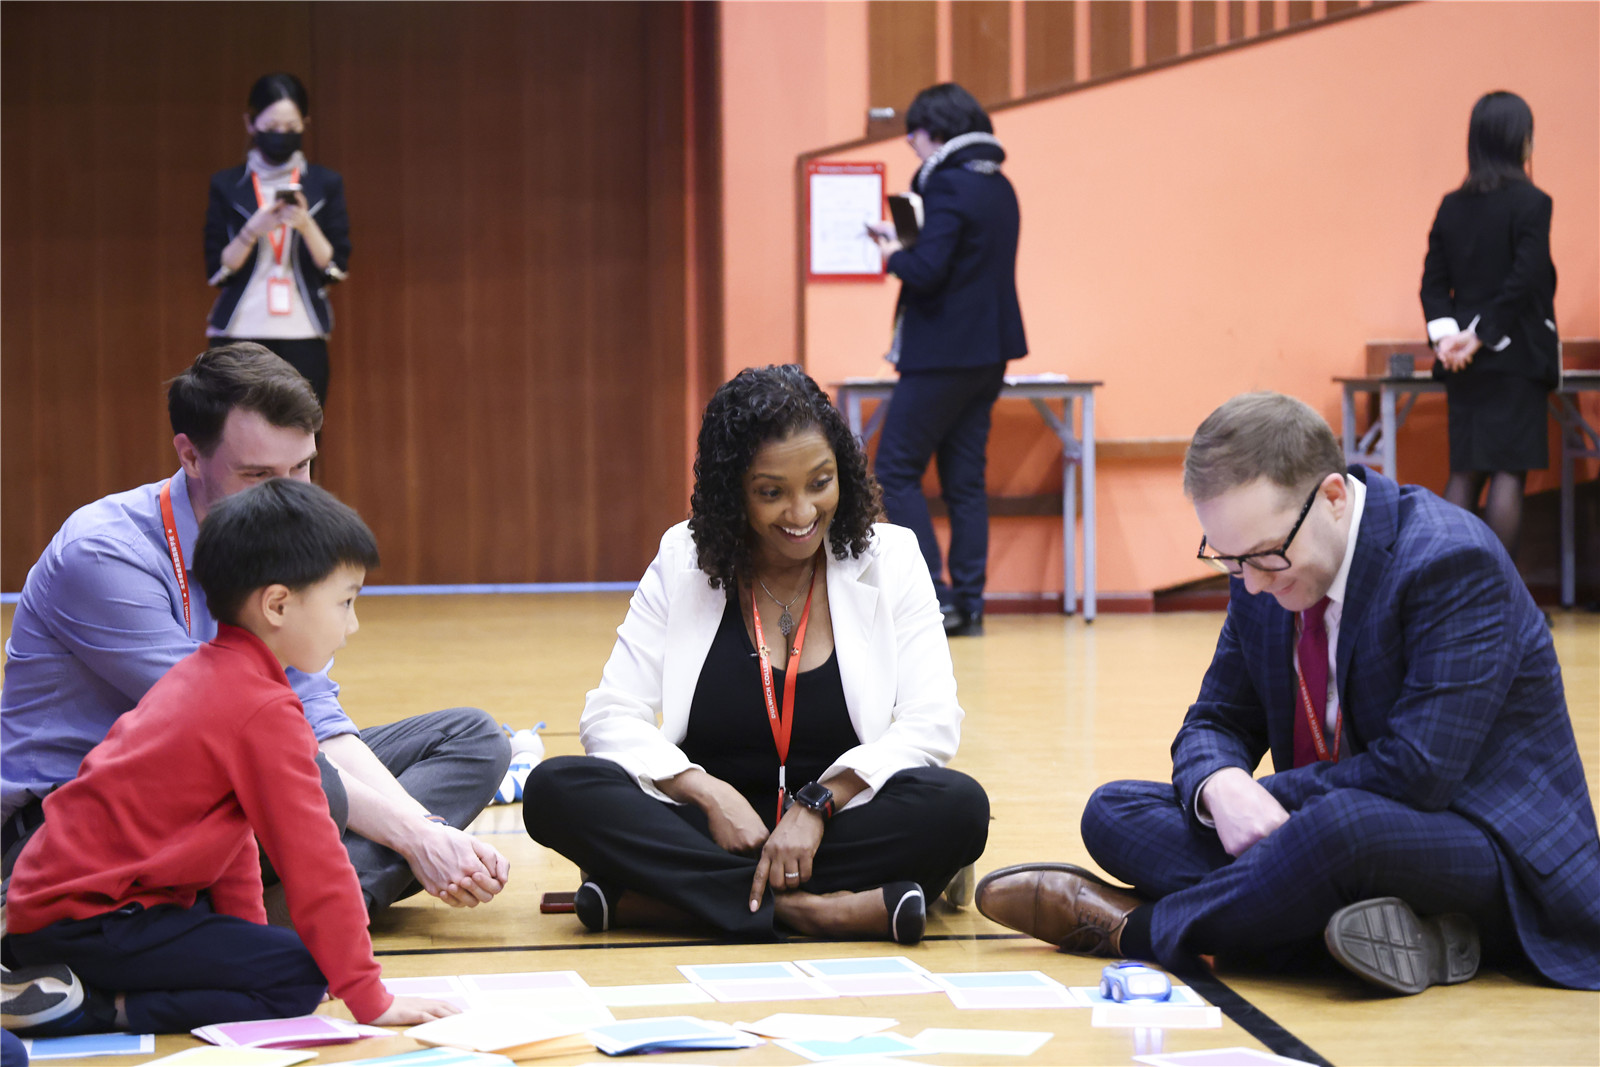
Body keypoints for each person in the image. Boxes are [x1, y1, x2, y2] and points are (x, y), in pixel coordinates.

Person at [974, 392, 1600, 994]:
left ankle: (1134, 929)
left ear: (1332, 497)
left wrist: (1259, 796)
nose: (1248, 584)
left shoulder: (1451, 561)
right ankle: (1371, 935)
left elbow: (1417, 773)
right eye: (1229, 560)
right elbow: (1214, 720)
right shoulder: (1266, 568)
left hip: (1488, 850)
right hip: (1330, 837)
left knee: (1339, 829)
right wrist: (1220, 786)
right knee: (1113, 812)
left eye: (1264, 557)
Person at [1, 344, 511, 916]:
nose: (290, 496)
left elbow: (310, 714)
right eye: (259, 474)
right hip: (79, 826)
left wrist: (425, 828)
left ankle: (303, 905)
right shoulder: (102, 554)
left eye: (302, 468)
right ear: (190, 456)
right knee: (283, 769)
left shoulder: (271, 541)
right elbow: (242, 731)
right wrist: (413, 838)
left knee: (472, 739)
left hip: (225, 791)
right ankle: (325, 905)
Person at [523, 365, 989, 943]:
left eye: (820, 483)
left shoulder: (890, 557)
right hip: (707, 828)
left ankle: (672, 902)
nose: (800, 513)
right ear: (733, 494)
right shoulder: (684, 559)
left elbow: (931, 724)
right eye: (772, 493)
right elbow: (609, 716)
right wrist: (706, 792)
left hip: (840, 826)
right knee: (555, 791)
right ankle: (815, 912)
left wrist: (817, 805)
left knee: (959, 807)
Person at [0, 480, 458, 1036]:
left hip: (64, 907)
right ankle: (92, 1007)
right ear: (278, 605)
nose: (352, 625)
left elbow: (234, 838)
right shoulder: (260, 708)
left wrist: (251, 938)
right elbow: (313, 860)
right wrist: (370, 997)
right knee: (302, 977)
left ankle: (58, 979)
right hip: (89, 918)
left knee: (276, 960)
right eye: (345, 602)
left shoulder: (214, 673)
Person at [866, 82, 1027, 638]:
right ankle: (971, 604)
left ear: (933, 131)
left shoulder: (948, 186)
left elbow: (929, 272)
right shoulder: (997, 185)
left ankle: (934, 596)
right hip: (988, 355)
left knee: (893, 469)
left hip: (941, 354)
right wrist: (908, 237)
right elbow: (961, 259)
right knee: (964, 483)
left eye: (913, 135)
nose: (911, 146)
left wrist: (892, 253)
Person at [1421, 90, 1559, 562]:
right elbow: (1526, 280)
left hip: (1464, 366)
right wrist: (1479, 336)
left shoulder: (1451, 205)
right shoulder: (1533, 203)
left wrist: (1448, 341)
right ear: (1519, 139)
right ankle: (1502, 603)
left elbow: (1433, 284)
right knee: (1508, 473)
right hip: (1517, 357)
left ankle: (1445, 594)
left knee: (1466, 471)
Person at [205, 73, 350, 407]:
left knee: (302, 433)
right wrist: (252, 230)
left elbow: (336, 266)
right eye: (272, 126)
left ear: (305, 124)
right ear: (251, 123)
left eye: (291, 127)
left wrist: (305, 224)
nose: (281, 135)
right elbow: (216, 269)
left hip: (303, 331)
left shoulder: (324, 184)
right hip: (239, 330)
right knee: (234, 434)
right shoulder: (228, 185)